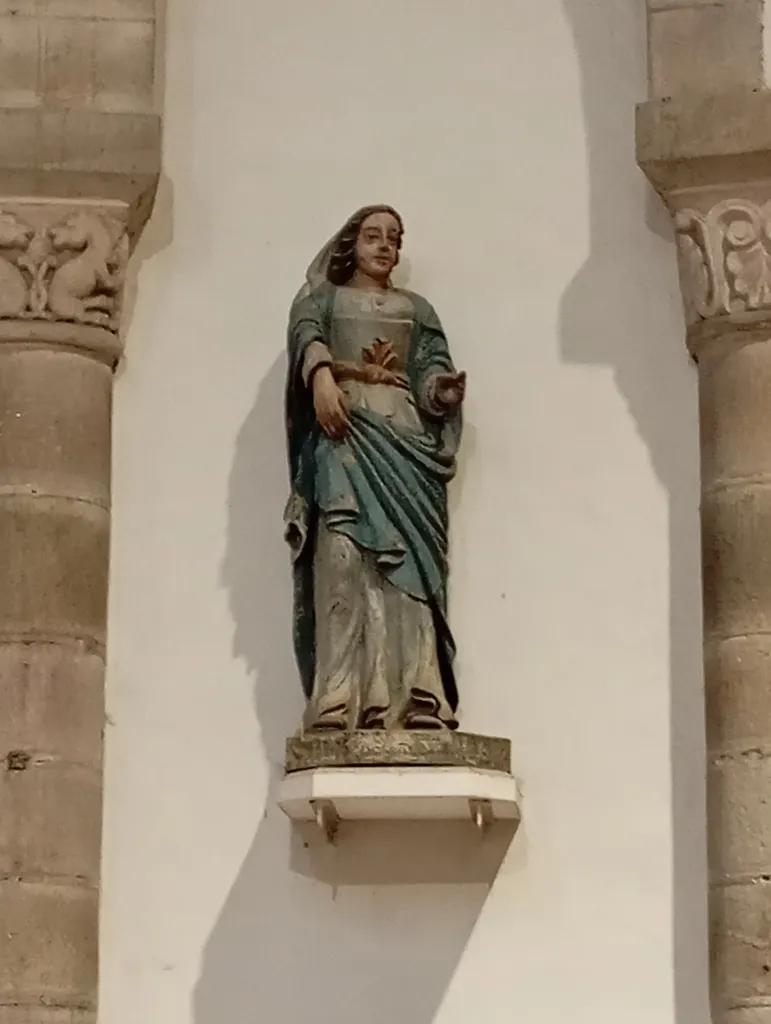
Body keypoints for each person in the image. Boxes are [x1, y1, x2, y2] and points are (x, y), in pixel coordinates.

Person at [284, 205, 466, 731]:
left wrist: (440, 390)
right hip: (344, 430)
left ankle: (420, 695)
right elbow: (307, 337)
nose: (384, 246)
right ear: (351, 243)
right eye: (373, 236)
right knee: (341, 557)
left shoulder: (417, 309)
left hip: (404, 440)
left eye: (394, 238)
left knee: (409, 569)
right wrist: (321, 376)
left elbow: (429, 364)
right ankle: (339, 698)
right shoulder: (322, 299)